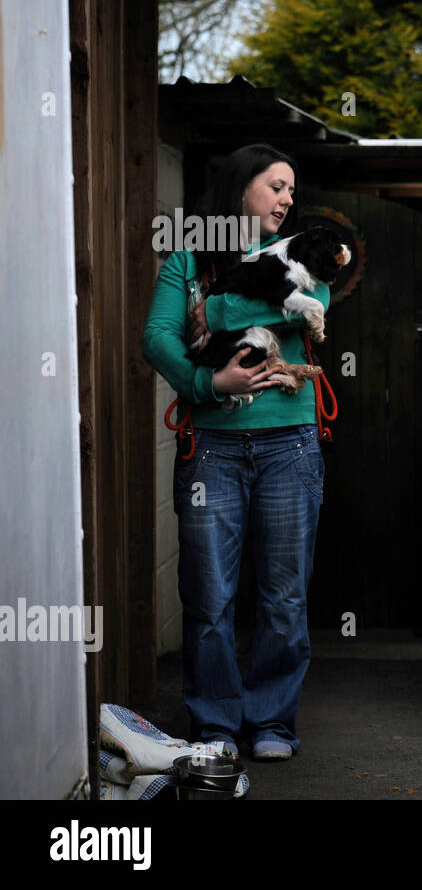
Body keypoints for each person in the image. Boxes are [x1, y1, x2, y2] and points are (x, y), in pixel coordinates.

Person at [143, 143, 329, 761]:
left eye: (292, 189)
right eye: (276, 185)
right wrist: (207, 383)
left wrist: (217, 307)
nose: (287, 198)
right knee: (210, 593)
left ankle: (272, 722)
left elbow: (312, 309)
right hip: (212, 448)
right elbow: (158, 337)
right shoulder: (189, 256)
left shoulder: (305, 253)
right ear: (241, 188)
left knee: (284, 592)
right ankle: (217, 726)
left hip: (290, 442)